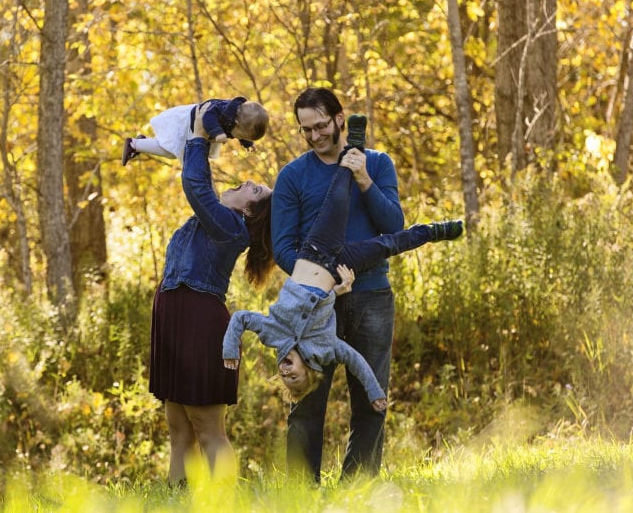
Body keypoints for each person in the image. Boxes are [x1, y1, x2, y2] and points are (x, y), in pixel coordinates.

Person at [222, 116, 462, 413]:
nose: (286, 373)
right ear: (308, 370)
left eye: (284, 377)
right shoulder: (325, 346)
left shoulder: (273, 333)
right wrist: (340, 291)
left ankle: (356, 145)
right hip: (340, 271)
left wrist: (230, 352)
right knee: (387, 245)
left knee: (338, 196)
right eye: (294, 378)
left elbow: (241, 319)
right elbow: (356, 361)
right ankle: (434, 231)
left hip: (314, 250)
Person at [271, 87, 406, 483]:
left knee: (371, 400)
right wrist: (323, 283)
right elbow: (283, 247)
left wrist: (362, 177)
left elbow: (394, 227)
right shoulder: (293, 176)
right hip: (313, 305)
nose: (314, 136)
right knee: (308, 401)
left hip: (371, 297)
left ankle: (356, 493)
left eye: (320, 126)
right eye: (305, 130)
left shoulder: (378, 164)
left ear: (339, 118)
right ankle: (300, 496)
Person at [148, 104, 276, 486]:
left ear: (251, 211)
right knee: (177, 427)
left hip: (198, 321)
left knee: (207, 428)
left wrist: (200, 138)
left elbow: (196, 185)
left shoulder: (230, 226)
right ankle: (175, 499)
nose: (248, 181)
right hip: (174, 316)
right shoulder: (217, 219)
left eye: (255, 189)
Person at [122, 97, 269, 165]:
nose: (239, 137)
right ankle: (133, 144)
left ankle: (142, 142)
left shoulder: (238, 117)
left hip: (197, 132)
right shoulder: (222, 110)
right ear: (236, 123)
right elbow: (207, 115)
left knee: (172, 151)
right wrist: (218, 132)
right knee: (171, 150)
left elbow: (239, 132)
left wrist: (247, 143)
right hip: (185, 124)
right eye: (242, 136)